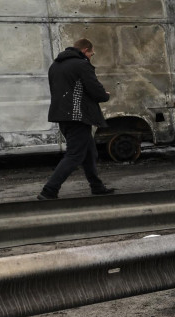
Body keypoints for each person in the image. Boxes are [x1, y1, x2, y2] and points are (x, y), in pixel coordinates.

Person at [38, 38, 115, 200]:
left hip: (62, 116)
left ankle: (97, 187)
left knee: (89, 153)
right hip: (77, 117)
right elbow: (95, 89)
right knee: (75, 155)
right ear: (85, 50)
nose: (91, 56)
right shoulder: (81, 65)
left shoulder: (55, 66)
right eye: (91, 53)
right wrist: (104, 95)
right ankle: (49, 190)